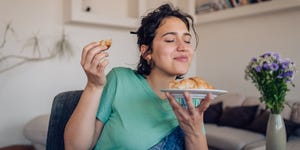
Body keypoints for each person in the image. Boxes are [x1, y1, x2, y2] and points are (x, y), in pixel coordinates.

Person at [64, 3, 211, 150]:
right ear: (146, 52)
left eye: (187, 41)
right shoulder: (120, 80)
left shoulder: (190, 97)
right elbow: (74, 147)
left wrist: (195, 133)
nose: (183, 47)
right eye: (170, 40)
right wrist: (93, 86)